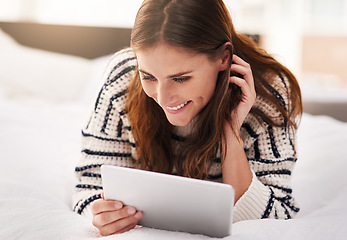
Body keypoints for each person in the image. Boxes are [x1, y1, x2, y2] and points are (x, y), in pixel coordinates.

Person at [73, 0, 302, 236]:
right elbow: (90, 185)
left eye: (181, 78)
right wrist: (103, 213)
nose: (162, 98)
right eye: (149, 77)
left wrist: (230, 130)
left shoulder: (267, 94)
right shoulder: (123, 79)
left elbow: (275, 214)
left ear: (224, 58)